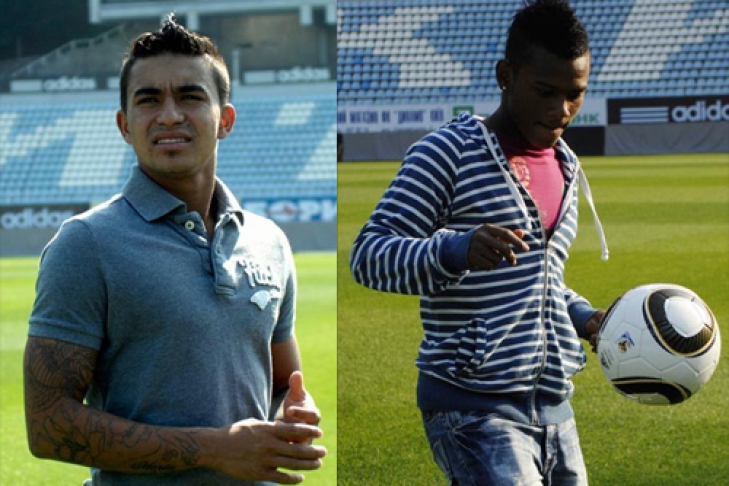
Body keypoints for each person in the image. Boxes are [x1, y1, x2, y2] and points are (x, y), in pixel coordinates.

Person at [24, 17, 326, 486]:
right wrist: (215, 449)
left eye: (190, 96)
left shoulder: (269, 241)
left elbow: (285, 383)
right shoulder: (85, 244)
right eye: (148, 100)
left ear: (225, 120)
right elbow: (48, 426)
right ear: (124, 125)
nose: (168, 115)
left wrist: (293, 411)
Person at [350, 0, 609, 484]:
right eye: (545, 91)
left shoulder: (566, 164)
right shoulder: (446, 152)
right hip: (472, 409)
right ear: (505, 75)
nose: (561, 111)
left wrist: (581, 316)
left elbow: (539, 279)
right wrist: (455, 250)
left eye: (575, 94)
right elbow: (368, 254)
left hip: (555, 409)